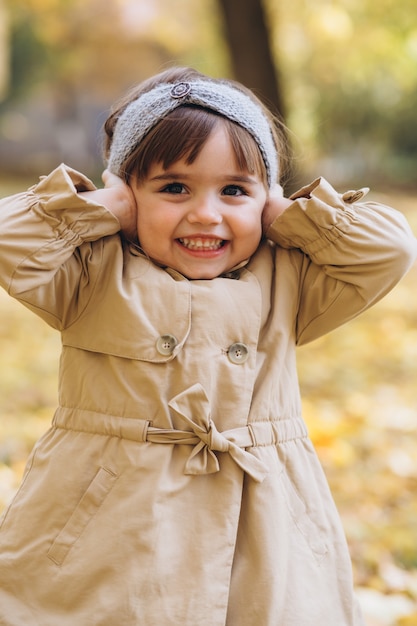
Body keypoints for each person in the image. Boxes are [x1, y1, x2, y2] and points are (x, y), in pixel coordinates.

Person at [0, 66, 415, 626]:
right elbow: (8, 240)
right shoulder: (90, 273)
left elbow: (389, 250)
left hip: (265, 529)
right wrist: (100, 208)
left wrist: (288, 216)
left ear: (264, 198)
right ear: (127, 192)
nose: (206, 213)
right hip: (107, 532)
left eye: (235, 190)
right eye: (174, 187)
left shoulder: (290, 280)